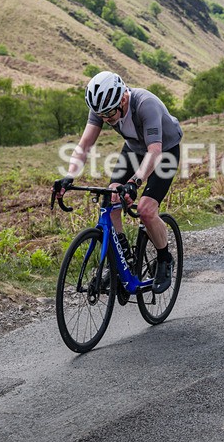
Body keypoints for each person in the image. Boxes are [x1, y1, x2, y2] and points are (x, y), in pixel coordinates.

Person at [52, 71, 183, 293]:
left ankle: (164, 259)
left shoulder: (145, 104)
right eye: (101, 115)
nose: (106, 119)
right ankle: (122, 259)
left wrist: (135, 181)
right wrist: (69, 176)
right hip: (134, 149)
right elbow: (84, 145)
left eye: (110, 114)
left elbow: (155, 151)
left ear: (123, 99)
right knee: (111, 198)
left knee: (146, 210)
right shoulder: (103, 109)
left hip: (164, 151)